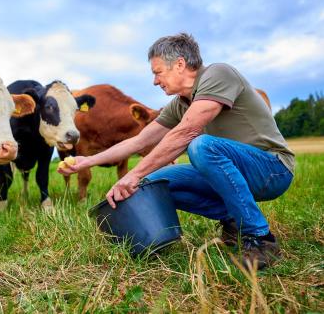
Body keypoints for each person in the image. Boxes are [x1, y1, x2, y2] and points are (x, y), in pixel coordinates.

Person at [58, 33, 294, 270]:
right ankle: (234, 221)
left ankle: (261, 239)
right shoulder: (181, 103)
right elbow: (139, 141)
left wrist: (133, 174)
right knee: (152, 185)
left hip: (272, 169)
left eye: (157, 72)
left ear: (180, 64)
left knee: (201, 146)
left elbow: (186, 132)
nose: (155, 81)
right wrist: (87, 161)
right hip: (236, 172)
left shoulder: (218, 74)